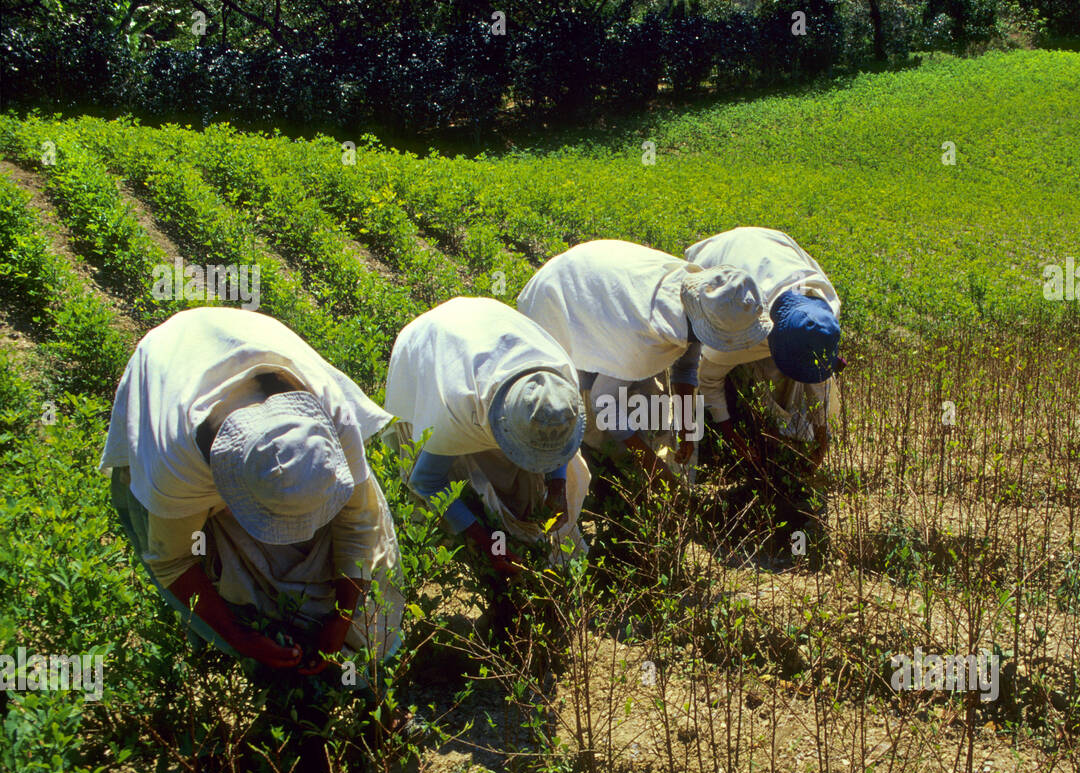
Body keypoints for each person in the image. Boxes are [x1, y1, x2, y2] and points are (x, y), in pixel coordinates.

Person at [100, 307, 403, 677]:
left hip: (241, 337)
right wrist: (242, 638)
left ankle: (366, 684)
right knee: (227, 572)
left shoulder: (333, 416)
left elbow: (359, 522)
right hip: (167, 365)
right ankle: (258, 671)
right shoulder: (173, 462)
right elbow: (174, 560)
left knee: (368, 564)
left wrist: (340, 622)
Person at [516, 239, 768, 484]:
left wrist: (687, 428)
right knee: (590, 404)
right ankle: (603, 472)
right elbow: (603, 401)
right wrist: (650, 464)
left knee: (648, 401)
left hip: (599, 279)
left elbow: (686, 366)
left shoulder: (707, 303)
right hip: (559, 295)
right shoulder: (640, 340)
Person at [383, 297, 589, 579]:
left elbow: (554, 436)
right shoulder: (452, 410)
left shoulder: (560, 383)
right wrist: (488, 543)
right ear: (505, 424)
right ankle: (493, 575)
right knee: (464, 497)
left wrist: (557, 485)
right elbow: (426, 481)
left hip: (485, 327)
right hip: (429, 347)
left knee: (523, 491)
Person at [679, 226, 843, 470]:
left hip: (772, 242)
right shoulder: (739, 324)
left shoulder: (825, 309)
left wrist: (822, 439)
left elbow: (818, 378)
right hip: (718, 257)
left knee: (795, 384)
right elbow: (708, 380)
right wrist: (731, 436)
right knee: (753, 377)